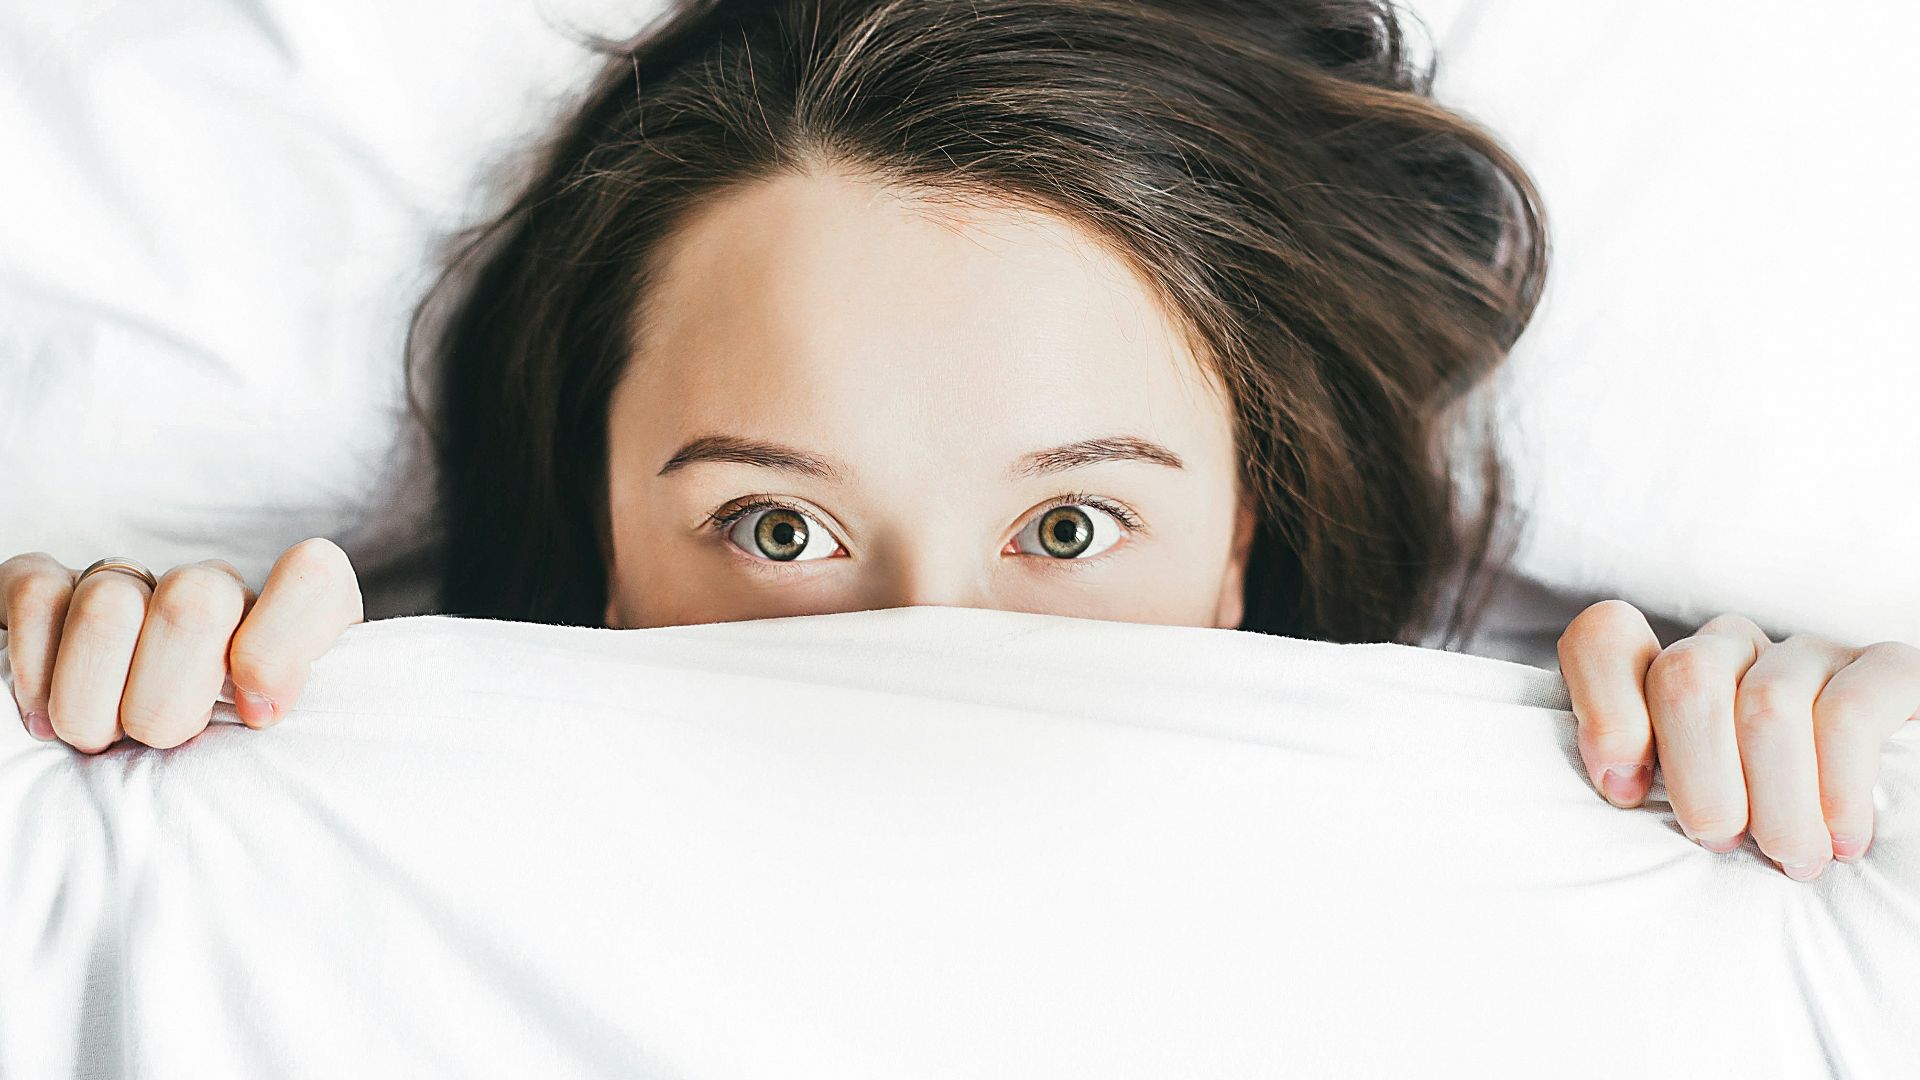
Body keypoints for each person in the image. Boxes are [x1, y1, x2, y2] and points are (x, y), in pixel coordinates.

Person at [2, 0, 1915, 884]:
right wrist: (90, 723)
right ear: (596, 541)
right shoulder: (302, 835)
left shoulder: (1594, 835)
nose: (936, 655)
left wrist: (1836, 768)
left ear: (1249, 534)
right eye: (775, 526)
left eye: (1072, 530)